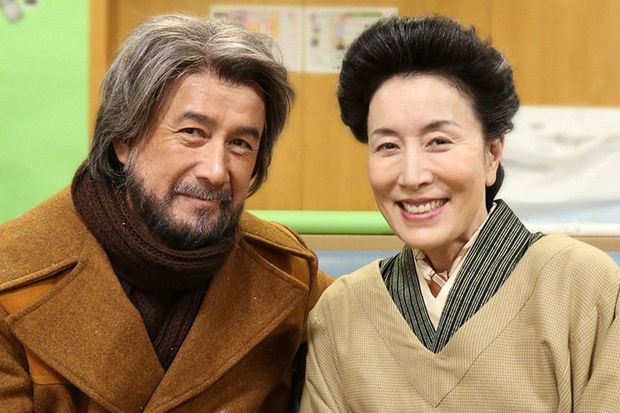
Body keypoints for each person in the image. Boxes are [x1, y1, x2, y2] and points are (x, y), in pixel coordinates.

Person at [0, 14, 331, 412]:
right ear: (124, 139)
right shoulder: (12, 274)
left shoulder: (288, 272)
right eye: (192, 133)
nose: (216, 170)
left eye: (241, 143)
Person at [301, 15, 620, 412]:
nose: (412, 176)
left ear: (492, 154)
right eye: (387, 146)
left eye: (438, 141)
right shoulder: (341, 311)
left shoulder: (583, 284)